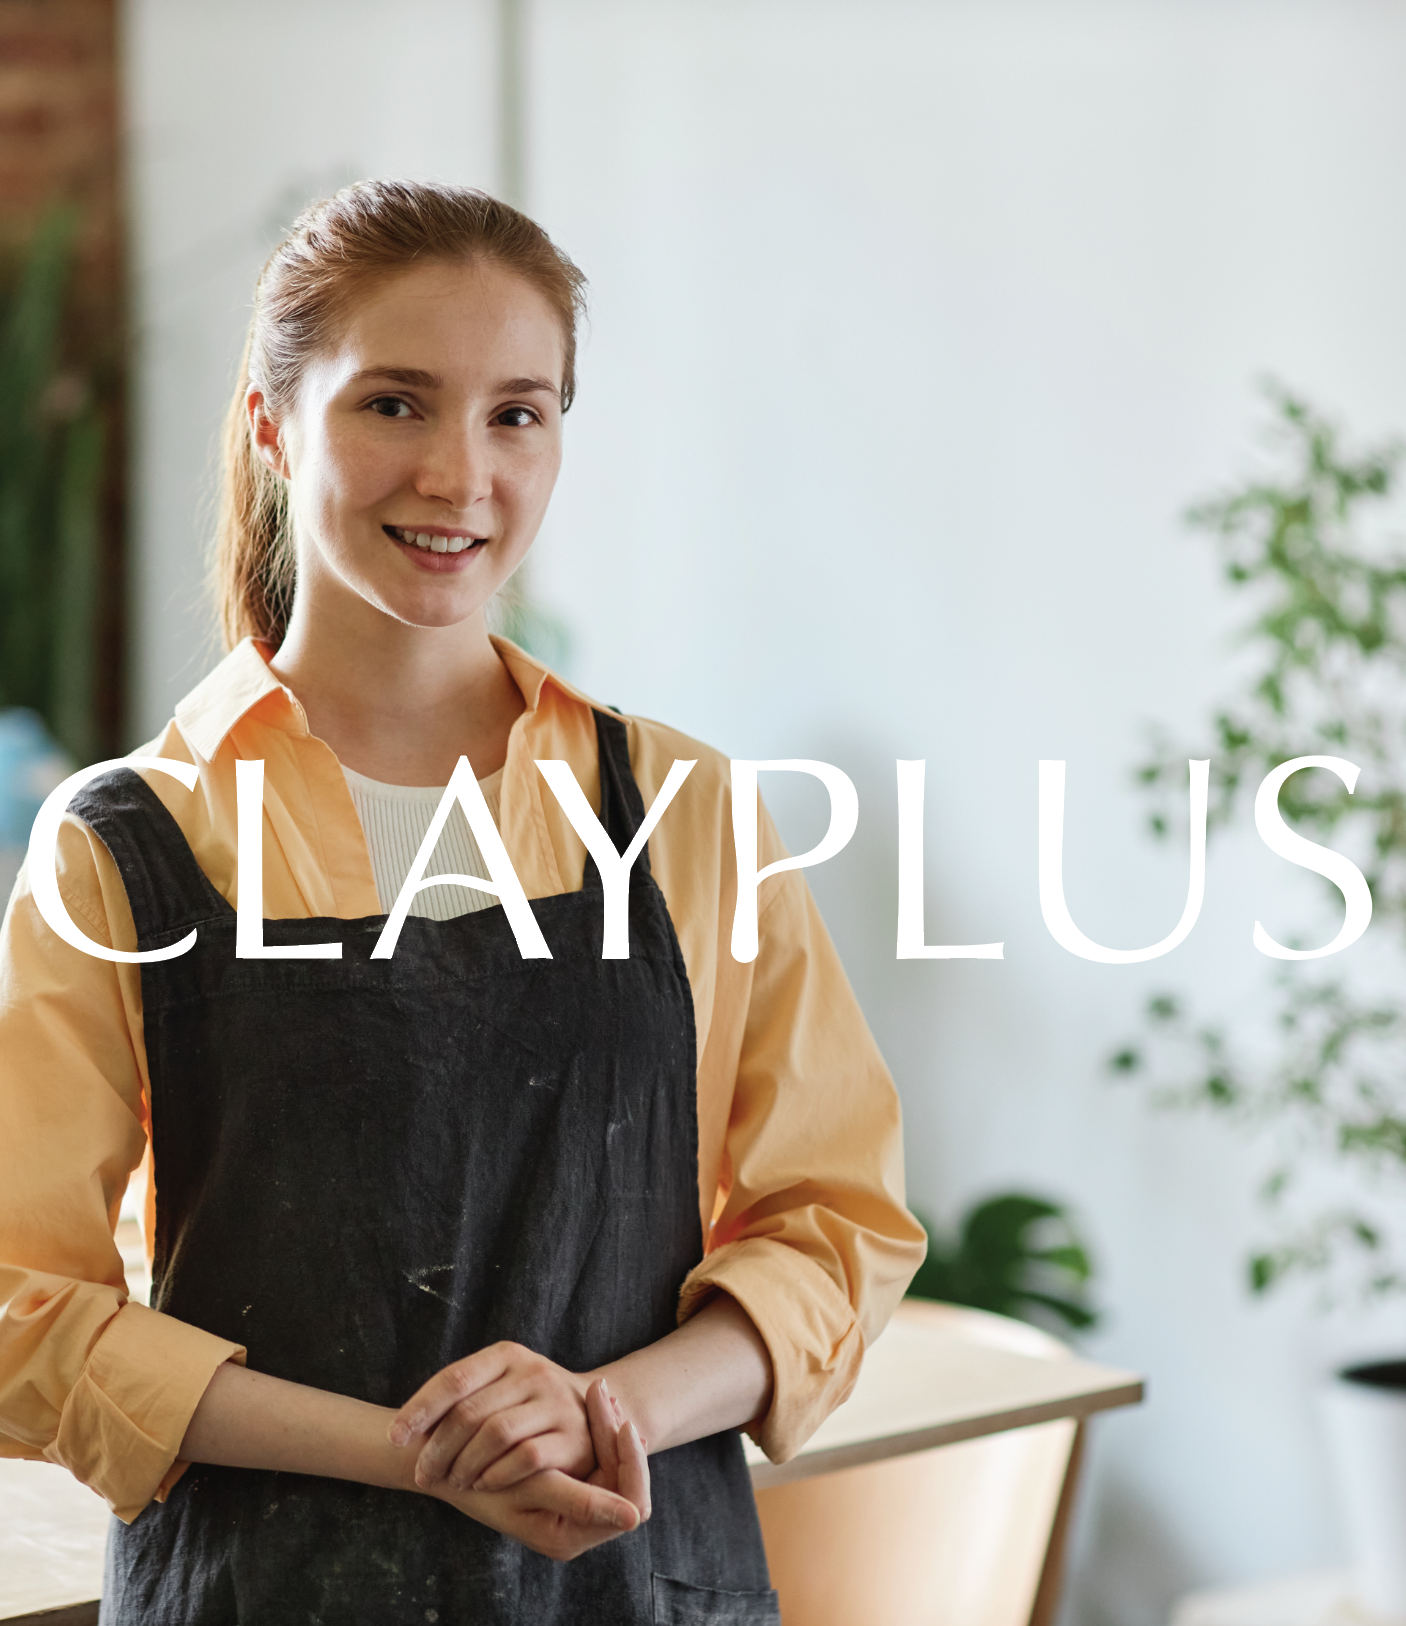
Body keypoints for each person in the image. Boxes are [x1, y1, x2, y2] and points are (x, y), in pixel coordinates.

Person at [0, 180, 926, 1625]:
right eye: (393, 404)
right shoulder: (121, 844)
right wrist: (419, 1455)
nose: (458, 474)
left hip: (635, 1586)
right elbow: (21, 1309)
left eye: (517, 412)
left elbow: (838, 1227)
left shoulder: (681, 810)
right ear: (268, 424)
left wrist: (593, 1408)